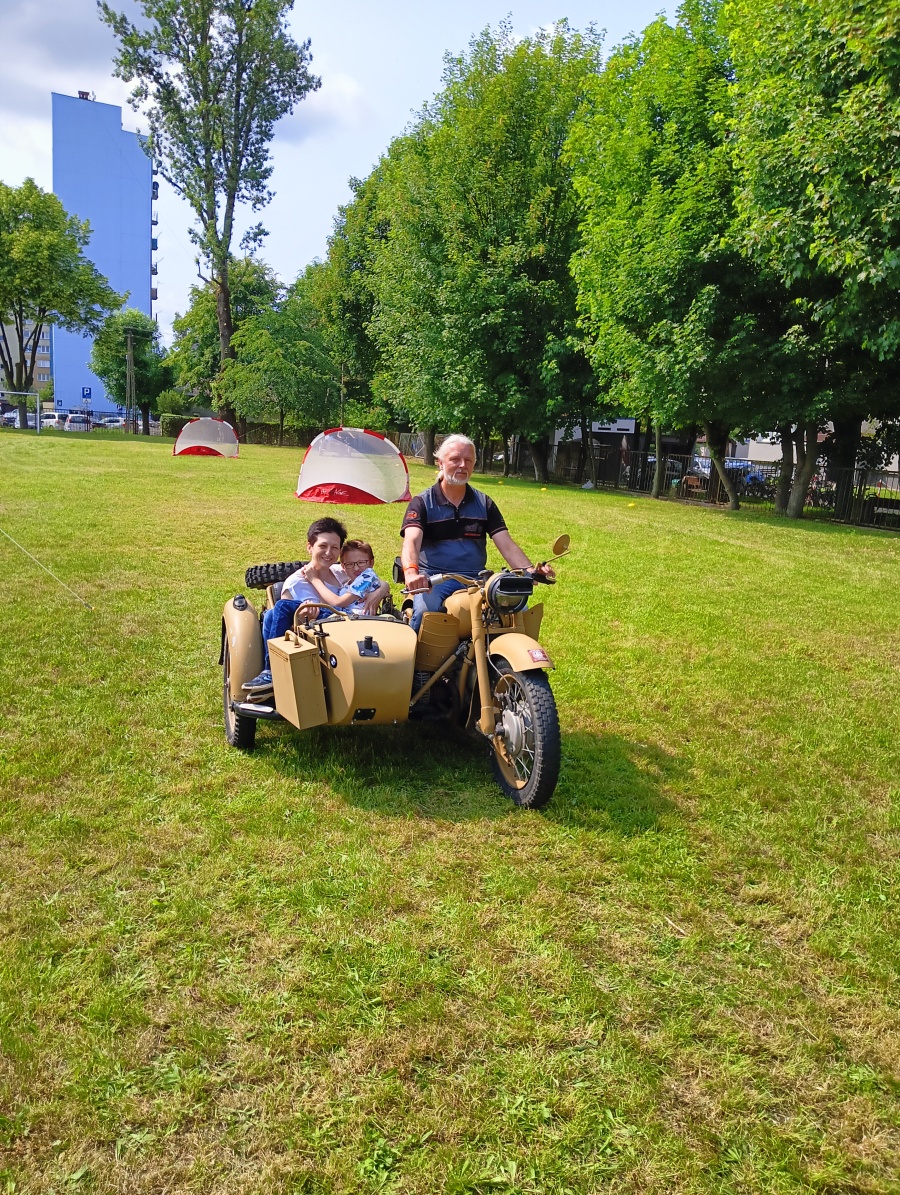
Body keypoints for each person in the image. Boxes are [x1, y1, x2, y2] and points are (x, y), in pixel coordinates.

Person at [400, 433, 554, 631]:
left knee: (519, 610)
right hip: (436, 579)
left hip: (478, 579)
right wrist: (411, 573)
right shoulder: (422, 502)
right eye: (455, 459)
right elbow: (411, 541)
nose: (462, 465)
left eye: (468, 460)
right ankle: (413, 651)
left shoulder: (484, 503)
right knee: (424, 614)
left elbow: (506, 545)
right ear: (440, 463)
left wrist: (530, 571)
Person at [242, 517, 348, 697]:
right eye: (322, 546)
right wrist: (302, 618)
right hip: (317, 644)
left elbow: (371, 581)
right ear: (310, 547)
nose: (328, 553)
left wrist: (380, 591)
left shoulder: (343, 572)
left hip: (349, 631)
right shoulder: (295, 582)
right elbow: (285, 626)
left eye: (335, 548)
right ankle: (272, 670)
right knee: (274, 613)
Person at [305, 538, 390, 616]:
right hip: (344, 618)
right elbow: (330, 604)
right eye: (350, 564)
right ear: (343, 567)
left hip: (357, 620)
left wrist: (314, 579)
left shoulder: (367, 577)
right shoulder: (348, 583)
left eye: (361, 562)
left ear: (371, 563)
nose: (356, 568)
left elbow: (338, 602)